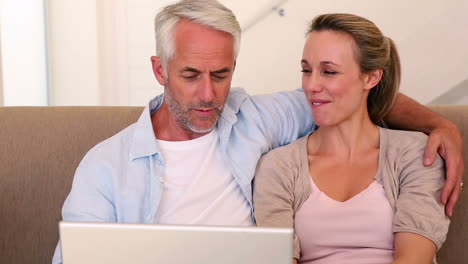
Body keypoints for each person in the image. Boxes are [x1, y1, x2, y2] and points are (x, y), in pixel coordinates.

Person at [52, 1, 463, 263]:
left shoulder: (257, 118)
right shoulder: (107, 165)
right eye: (191, 75)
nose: (208, 94)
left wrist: (438, 124)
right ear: (160, 69)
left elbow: (346, 96)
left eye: (222, 74)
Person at [253, 13, 451, 264]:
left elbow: (413, 260)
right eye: (306, 70)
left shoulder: (416, 153)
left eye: (329, 72)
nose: (311, 85)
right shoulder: (279, 166)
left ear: (371, 77)